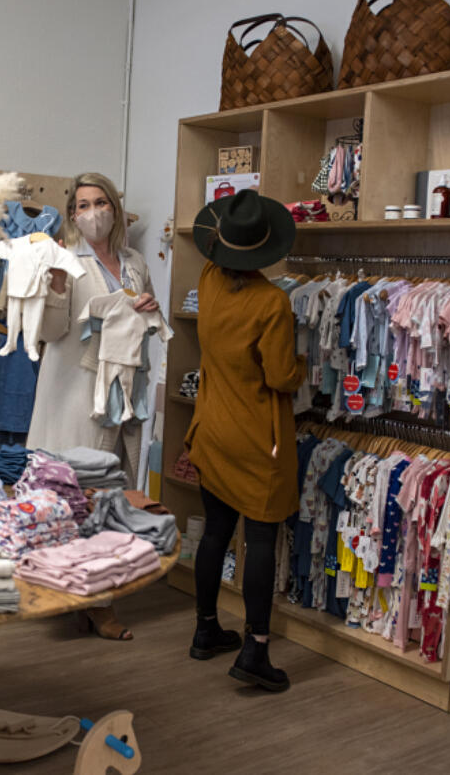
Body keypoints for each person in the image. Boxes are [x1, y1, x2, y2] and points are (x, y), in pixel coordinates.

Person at [25, 172, 159, 641]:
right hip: (75, 391)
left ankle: (102, 594)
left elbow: (146, 319)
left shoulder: (135, 260)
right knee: (75, 494)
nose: (92, 212)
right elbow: (48, 332)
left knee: (116, 495)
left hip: (127, 390)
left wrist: (147, 305)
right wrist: (57, 287)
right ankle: (73, 591)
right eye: (82, 205)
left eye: (100, 202)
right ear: (71, 213)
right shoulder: (62, 258)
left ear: (115, 209)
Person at [183, 188, 303, 692]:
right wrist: (303, 369)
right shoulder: (272, 302)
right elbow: (279, 376)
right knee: (259, 542)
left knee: (214, 530)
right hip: (257, 436)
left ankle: (206, 629)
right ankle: (255, 650)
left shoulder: (209, 279)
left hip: (211, 426)